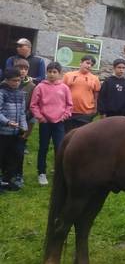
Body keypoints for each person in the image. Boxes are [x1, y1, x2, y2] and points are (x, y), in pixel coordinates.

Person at [30, 62, 72, 186]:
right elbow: (34, 105)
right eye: (50, 72)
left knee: (59, 147)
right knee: (43, 147)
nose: (52, 74)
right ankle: (41, 172)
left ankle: (58, 170)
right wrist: (40, 117)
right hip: (45, 122)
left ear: (60, 74)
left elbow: (69, 105)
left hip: (59, 122)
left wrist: (64, 116)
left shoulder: (64, 88)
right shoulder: (40, 87)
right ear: (46, 72)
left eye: (55, 72)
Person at [0, 68, 28, 192]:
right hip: (3, 132)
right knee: (2, 156)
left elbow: (22, 112)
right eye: (14, 81)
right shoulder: (2, 93)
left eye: (18, 80)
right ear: (7, 80)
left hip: (16, 132)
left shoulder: (21, 94)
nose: (16, 83)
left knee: (14, 157)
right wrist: (7, 122)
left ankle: (7, 180)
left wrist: (24, 127)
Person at [11, 59, 36, 188]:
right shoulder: (7, 84)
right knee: (7, 150)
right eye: (20, 68)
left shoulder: (31, 86)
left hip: (23, 123)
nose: (22, 71)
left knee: (19, 150)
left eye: (25, 69)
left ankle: (18, 174)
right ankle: (6, 174)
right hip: (8, 124)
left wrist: (27, 126)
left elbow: (33, 107)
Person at [62, 55, 100, 131]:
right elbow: (62, 92)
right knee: (67, 135)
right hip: (69, 111)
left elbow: (96, 96)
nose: (89, 66)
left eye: (91, 65)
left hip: (86, 112)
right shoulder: (68, 75)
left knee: (82, 137)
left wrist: (95, 109)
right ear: (81, 63)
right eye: (87, 63)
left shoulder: (95, 79)